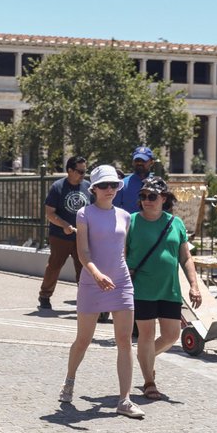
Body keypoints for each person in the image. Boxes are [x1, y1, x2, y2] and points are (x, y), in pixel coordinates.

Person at [59, 165, 145, 419]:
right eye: (104, 186)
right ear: (93, 188)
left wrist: (120, 275)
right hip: (91, 282)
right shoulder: (84, 214)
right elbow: (83, 252)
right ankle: (69, 379)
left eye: (114, 185)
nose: (110, 189)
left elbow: (121, 251)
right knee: (83, 340)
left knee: (125, 341)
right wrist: (96, 274)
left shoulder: (125, 216)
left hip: (120, 282)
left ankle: (125, 400)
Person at [126, 176, 202, 400]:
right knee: (146, 335)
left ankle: (145, 358)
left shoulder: (175, 223)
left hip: (169, 289)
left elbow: (185, 257)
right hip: (142, 289)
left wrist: (194, 285)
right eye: (142, 196)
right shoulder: (130, 222)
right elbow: (120, 255)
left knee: (171, 336)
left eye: (152, 196)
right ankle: (149, 382)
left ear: (164, 198)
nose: (146, 201)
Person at [38, 156, 91, 310]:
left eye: (84, 171)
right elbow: (49, 213)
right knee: (54, 266)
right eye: (80, 171)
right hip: (60, 236)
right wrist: (64, 225)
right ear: (70, 170)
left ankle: (85, 298)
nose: (83, 175)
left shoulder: (88, 187)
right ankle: (45, 295)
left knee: (83, 269)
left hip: (81, 237)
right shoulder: (58, 187)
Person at [113, 145, 155, 213]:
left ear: (152, 162)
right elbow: (115, 209)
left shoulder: (158, 184)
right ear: (133, 162)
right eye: (137, 160)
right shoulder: (123, 184)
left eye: (143, 161)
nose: (139, 163)